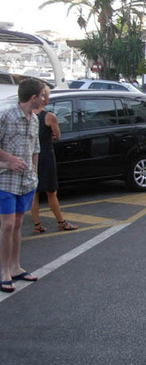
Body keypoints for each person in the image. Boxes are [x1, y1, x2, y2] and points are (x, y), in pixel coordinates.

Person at [0, 78, 46, 292]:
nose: (45, 99)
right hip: (5, 178)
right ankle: (4, 271)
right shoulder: (6, 115)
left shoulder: (34, 120)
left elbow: (35, 148)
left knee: (17, 224)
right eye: (42, 95)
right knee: (7, 225)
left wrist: (34, 173)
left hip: (26, 182)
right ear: (33, 97)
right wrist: (9, 159)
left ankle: (16, 266)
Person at [31, 86, 78, 234]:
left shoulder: (28, 115)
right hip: (45, 155)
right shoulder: (49, 116)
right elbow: (58, 136)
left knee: (35, 192)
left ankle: (37, 224)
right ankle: (61, 222)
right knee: (51, 192)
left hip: (31, 156)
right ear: (45, 98)